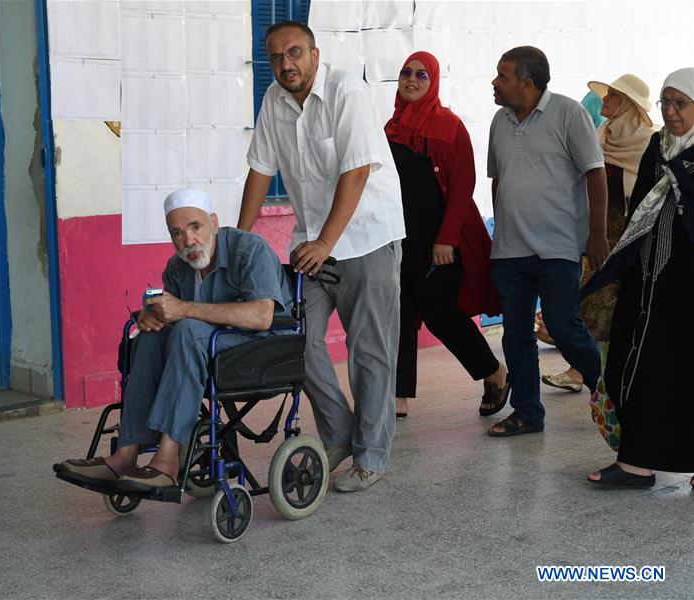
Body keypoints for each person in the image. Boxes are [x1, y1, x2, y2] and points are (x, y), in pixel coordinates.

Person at [238, 21, 405, 492]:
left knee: (368, 352)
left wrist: (326, 243)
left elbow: (355, 171)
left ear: (314, 53)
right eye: (275, 57)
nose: (285, 64)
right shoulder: (274, 99)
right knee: (297, 342)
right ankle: (339, 436)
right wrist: (239, 245)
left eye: (294, 53)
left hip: (366, 238)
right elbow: (258, 170)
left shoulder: (346, 90)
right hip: (313, 242)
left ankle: (371, 455)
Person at [57, 189, 294, 490]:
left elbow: (263, 316)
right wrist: (150, 317)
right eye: (177, 233)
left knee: (187, 330)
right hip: (211, 348)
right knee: (150, 337)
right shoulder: (178, 268)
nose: (188, 241)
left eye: (196, 227)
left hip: (265, 346)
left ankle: (168, 460)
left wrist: (183, 310)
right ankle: (126, 454)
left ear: (214, 223)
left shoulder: (249, 249)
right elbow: (174, 321)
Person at [486, 46, 608, 437]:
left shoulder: (570, 114)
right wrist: (500, 231)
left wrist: (596, 235)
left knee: (561, 324)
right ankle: (527, 412)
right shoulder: (498, 122)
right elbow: (498, 180)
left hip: (558, 245)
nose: (494, 82)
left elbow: (596, 174)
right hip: (510, 250)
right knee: (516, 333)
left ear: (528, 82)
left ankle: (608, 394)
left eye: (502, 76)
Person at [583, 67, 694, 488]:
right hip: (649, 277)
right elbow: (638, 211)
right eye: (666, 103)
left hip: (687, 285)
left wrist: (681, 177)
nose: (670, 111)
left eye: (680, 103)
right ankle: (637, 461)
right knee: (641, 363)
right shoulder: (657, 145)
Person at [384, 51, 507, 419]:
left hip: (439, 239)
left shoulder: (449, 124)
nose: (411, 80)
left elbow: (462, 185)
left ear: (433, 81)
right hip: (401, 238)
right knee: (400, 314)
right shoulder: (391, 127)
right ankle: (398, 395)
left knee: (440, 313)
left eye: (422, 75)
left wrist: (447, 238)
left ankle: (493, 371)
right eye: (406, 72)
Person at [543, 74, 654, 393]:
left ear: (628, 104)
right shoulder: (599, 136)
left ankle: (602, 372)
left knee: (621, 305)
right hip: (598, 233)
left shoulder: (649, 141)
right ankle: (584, 371)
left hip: (632, 235)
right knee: (592, 300)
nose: (604, 101)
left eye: (612, 97)